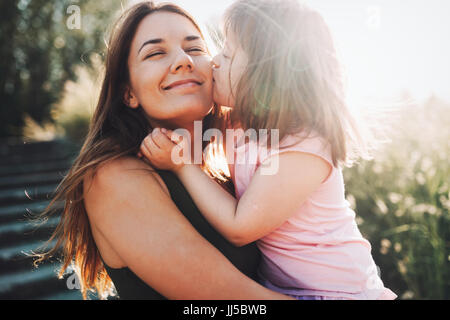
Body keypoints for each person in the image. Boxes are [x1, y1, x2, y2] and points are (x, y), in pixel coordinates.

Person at [139, 0, 397, 300]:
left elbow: (240, 227)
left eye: (228, 54)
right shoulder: (238, 125)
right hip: (285, 291)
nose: (214, 62)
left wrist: (182, 165)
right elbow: (192, 117)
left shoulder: (304, 146)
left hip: (342, 293)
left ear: (266, 76)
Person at [33, 1, 291, 300]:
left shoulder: (228, 174)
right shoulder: (114, 177)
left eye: (195, 49)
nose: (184, 60)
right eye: (155, 53)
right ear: (128, 93)